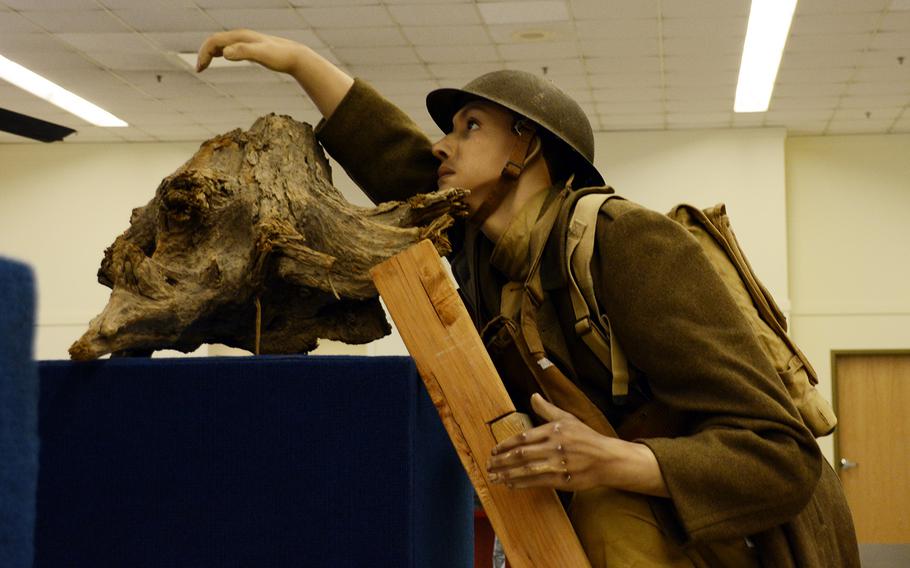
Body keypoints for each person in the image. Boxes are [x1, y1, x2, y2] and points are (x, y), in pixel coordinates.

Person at [197, 30, 860, 567]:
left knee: (607, 509)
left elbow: (782, 456)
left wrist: (619, 461)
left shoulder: (628, 245)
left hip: (715, 535)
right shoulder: (491, 250)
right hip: (598, 525)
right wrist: (299, 61)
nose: (442, 146)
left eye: (470, 126)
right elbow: (394, 155)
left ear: (527, 144)